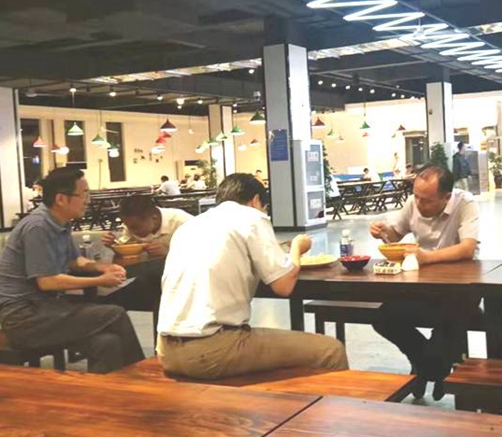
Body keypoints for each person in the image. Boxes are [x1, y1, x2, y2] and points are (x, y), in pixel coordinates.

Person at [156, 173, 348, 379]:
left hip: (166, 350)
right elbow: (283, 286)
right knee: (331, 350)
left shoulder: (190, 225)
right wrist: (297, 248)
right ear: (256, 200)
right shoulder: (252, 217)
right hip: (211, 348)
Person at [0, 167, 144, 373]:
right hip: (24, 319)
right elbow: (47, 281)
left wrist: (102, 267)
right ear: (61, 199)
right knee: (114, 314)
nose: (88, 200)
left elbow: (74, 260)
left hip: (46, 311)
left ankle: (109, 391)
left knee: (107, 342)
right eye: (83, 194)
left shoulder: (60, 223)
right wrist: (100, 280)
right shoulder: (38, 227)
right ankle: (143, 377)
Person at [369, 166, 479, 400]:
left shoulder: (465, 203)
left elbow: (468, 248)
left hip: (460, 288)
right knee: (383, 317)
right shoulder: (414, 202)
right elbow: (395, 234)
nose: (419, 204)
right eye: (416, 196)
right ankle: (430, 366)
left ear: (446, 197)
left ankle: (424, 369)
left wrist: (427, 257)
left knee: (451, 318)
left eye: (427, 200)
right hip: (423, 285)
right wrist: (383, 231)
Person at [101, 195, 192, 257]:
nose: (131, 231)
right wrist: (113, 245)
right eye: (128, 226)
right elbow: (127, 252)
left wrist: (169, 252)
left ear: (154, 218)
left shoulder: (183, 222)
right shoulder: (131, 224)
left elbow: (199, 254)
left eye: (135, 228)